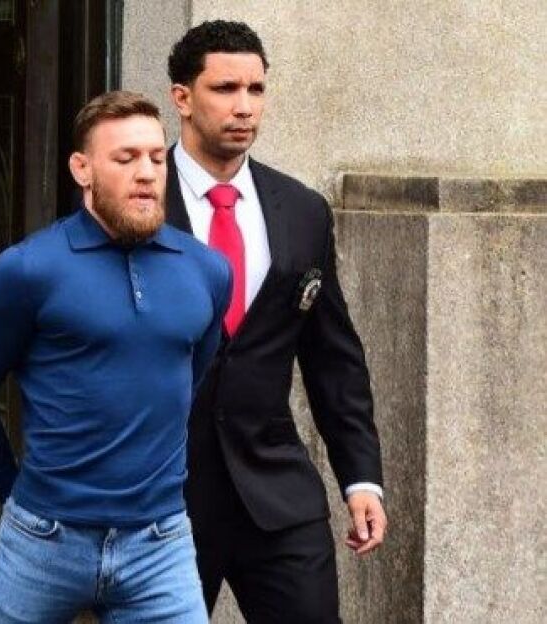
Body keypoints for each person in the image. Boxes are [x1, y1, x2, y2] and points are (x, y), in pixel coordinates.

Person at [0, 90, 231, 623]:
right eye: (125, 158)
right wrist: (18, 494)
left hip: (160, 545)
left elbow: (189, 383)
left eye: (156, 157)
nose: (146, 173)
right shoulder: (28, 270)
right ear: (82, 169)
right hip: (43, 541)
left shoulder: (207, 271)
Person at [165, 20, 388, 622]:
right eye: (225, 88)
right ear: (182, 97)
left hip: (278, 494)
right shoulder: (140, 203)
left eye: (256, 89)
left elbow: (334, 358)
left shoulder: (303, 211)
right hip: (163, 502)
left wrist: (361, 479)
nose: (244, 107)